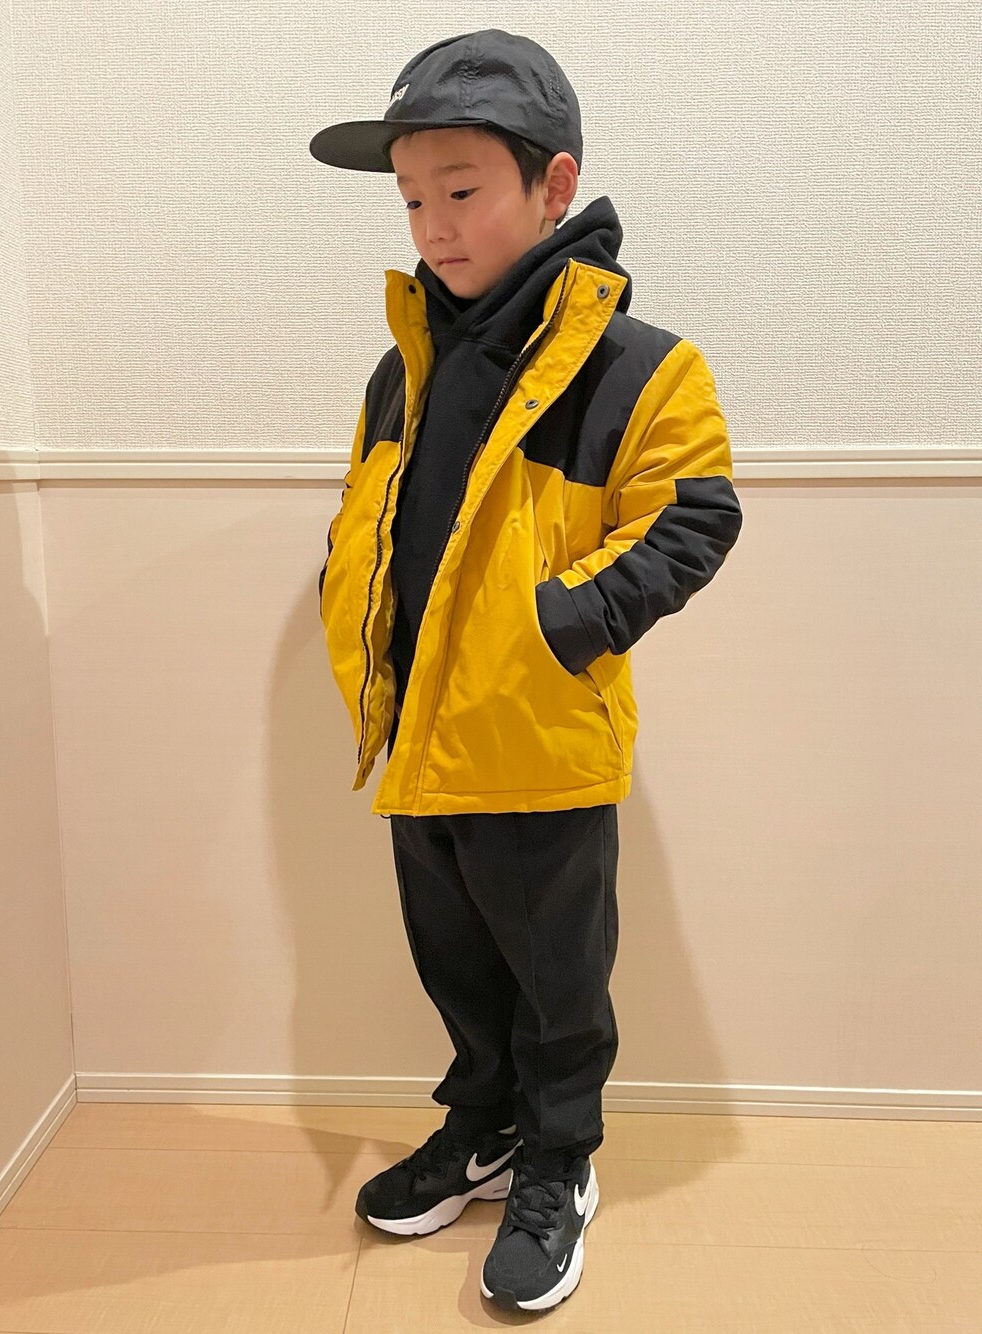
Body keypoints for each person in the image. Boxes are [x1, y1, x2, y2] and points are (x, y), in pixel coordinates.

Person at [310, 28, 743, 1314]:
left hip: (539, 739)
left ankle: (559, 1156)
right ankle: (486, 1123)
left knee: (558, 980)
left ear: (554, 186)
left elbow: (694, 515)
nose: (433, 226)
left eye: (461, 189)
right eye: (411, 200)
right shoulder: (404, 363)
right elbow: (377, 518)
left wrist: (560, 626)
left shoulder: (636, 364)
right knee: (456, 960)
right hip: (420, 734)